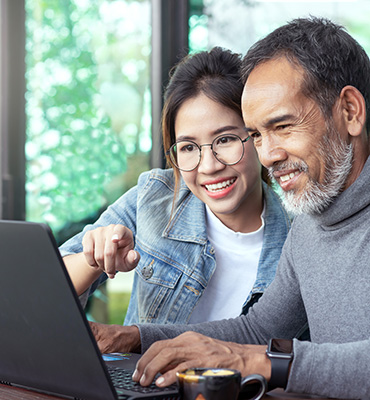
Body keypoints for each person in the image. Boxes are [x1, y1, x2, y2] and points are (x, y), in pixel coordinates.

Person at [88, 17, 370, 399]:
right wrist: (133, 336)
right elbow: (256, 331)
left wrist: (256, 361)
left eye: (283, 126)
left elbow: (254, 351)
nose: (268, 155)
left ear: (350, 111)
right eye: (256, 134)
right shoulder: (310, 224)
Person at [60, 47, 291, 327]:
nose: (208, 166)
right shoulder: (155, 197)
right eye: (188, 147)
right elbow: (46, 288)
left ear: (256, 136)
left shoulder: (297, 239)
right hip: (143, 372)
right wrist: (93, 259)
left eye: (225, 140)